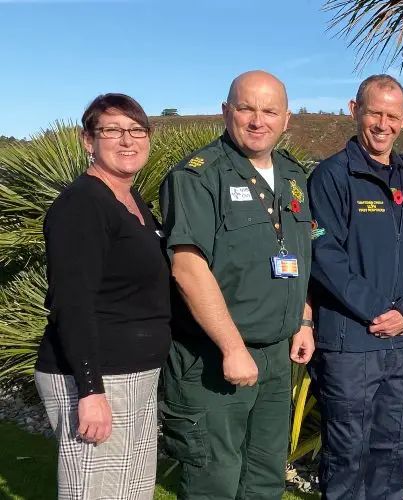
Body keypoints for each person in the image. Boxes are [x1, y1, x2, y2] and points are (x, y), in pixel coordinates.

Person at [158, 70, 314, 498]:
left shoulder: (291, 174)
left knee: (264, 478)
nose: (257, 120)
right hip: (214, 359)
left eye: (270, 110)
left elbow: (298, 252)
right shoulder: (198, 176)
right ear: (226, 111)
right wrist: (231, 347)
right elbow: (188, 268)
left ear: (286, 120)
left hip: (275, 359)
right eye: (246, 108)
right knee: (215, 482)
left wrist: (303, 320)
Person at [307, 74, 403, 499]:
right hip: (351, 341)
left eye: (391, 115)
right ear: (355, 110)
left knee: (391, 447)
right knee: (347, 451)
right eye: (373, 113)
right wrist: (378, 310)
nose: (382, 124)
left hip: (400, 340)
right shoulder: (332, 177)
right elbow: (325, 256)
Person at [35, 93, 170, 499]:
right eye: (112, 130)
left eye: (136, 130)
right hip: (96, 376)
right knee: (93, 491)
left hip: (133, 373)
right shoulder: (83, 204)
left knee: (129, 492)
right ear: (88, 141)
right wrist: (91, 391)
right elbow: (71, 301)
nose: (127, 140)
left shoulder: (131, 200)